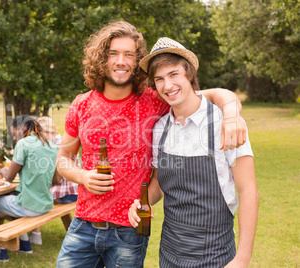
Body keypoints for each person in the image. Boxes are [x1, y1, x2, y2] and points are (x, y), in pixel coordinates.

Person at [56, 20, 247, 268]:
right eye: (113, 53)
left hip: (129, 231)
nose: (121, 61)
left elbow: (211, 95)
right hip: (82, 225)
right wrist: (81, 176)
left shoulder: (155, 100)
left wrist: (231, 114)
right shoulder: (80, 105)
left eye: (129, 54)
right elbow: (63, 158)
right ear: (101, 59)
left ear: (137, 62)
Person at [128, 37, 259, 267]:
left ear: (188, 73)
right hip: (169, 253)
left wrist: (243, 258)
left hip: (216, 254)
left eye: (173, 74)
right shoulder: (160, 128)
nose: (167, 85)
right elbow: (158, 180)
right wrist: (143, 201)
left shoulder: (225, 123)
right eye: (159, 79)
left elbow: (248, 191)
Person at [0, 115, 58, 262]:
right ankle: (24, 244)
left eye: (14, 133)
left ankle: (0, 250)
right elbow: (56, 180)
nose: (14, 137)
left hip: (31, 207)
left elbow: (9, 178)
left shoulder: (23, 144)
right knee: (13, 198)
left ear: (22, 129)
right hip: (46, 204)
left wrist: (3, 171)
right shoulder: (51, 146)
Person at [26, 116, 79, 246]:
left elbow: (49, 177)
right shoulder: (63, 141)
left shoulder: (53, 146)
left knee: (31, 195)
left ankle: (34, 236)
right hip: (74, 193)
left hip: (64, 195)